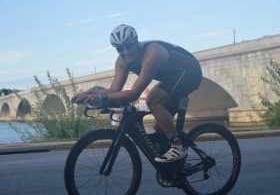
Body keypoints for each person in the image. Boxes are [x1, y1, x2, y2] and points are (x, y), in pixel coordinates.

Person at [72, 24, 202, 163]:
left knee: (153, 100)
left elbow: (133, 94)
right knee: (160, 128)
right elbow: (113, 90)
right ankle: (177, 168)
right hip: (172, 78)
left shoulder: (152, 53)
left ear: (136, 42)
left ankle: (178, 147)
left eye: (129, 46)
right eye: (120, 49)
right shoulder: (122, 61)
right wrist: (90, 93)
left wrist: (103, 98)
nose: (126, 52)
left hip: (189, 72)